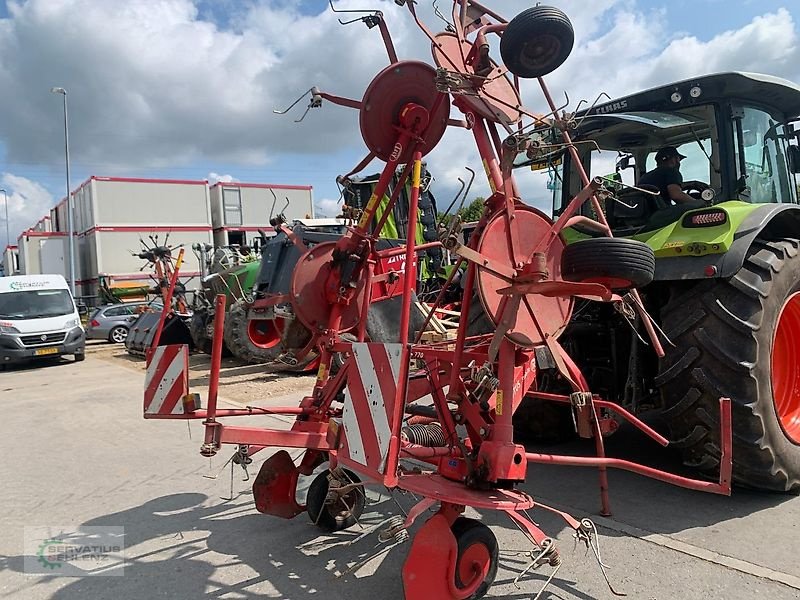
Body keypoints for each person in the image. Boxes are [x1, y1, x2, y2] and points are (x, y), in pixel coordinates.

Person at [638, 146, 706, 228]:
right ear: (675, 159)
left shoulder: (644, 177)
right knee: (702, 207)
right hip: (662, 217)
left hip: (646, 219)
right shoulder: (672, 171)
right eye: (678, 159)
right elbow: (676, 195)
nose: (679, 163)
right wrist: (698, 204)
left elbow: (664, 186)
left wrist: (690, 184)